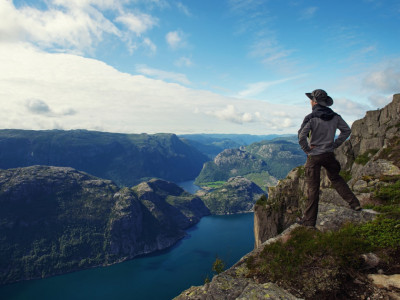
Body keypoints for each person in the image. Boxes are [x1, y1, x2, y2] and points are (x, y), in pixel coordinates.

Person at [297, 89, 361, 227]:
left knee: (313, 189)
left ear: (314, 101)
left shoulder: (311, 117)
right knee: (336, 178)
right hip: (329, 154)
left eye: (310, 100)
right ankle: (354, 203)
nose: (310, 102)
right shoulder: (335, 116)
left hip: (314, 156)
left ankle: (309, 222)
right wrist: (335, 144)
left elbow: (301, 136)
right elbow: (346, 131)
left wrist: (307, 150)